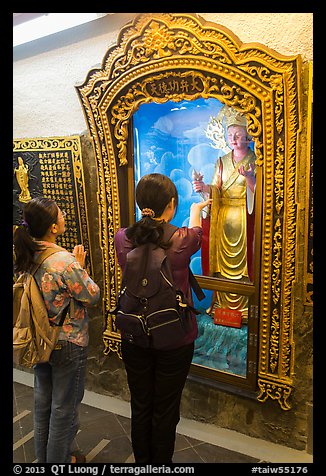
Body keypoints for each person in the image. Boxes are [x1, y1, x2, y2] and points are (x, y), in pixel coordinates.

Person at [114, 173, 211, 464]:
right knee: (166, 409)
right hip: (174, 338)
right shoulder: (181, 240)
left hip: (133, 334)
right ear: (171, 204)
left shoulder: (123, 237)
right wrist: (196, 211)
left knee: (140, 404)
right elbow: (197, 232)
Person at [13, 197, 100, 463]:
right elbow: (92, 295)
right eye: (61, 214)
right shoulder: (64, 261)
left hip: (40, 340)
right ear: (52, 227)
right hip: (67, 342)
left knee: (43, 407)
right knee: (63, 412)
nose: (64, 216)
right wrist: (79, 266)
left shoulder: (26, 254)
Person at [193, 112, 256, 319]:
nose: (234, 139)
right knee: (222, 265)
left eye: (238, 134)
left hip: (245, 219)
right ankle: (221, 304)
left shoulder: (256, 159)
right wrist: (203, 187)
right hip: (223, 219)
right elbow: (216, 189)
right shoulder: (221, 162)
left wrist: (250, 179)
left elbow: (262, 193)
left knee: (245, 266)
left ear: (248, 136)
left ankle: (243, 309)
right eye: (230, 135)